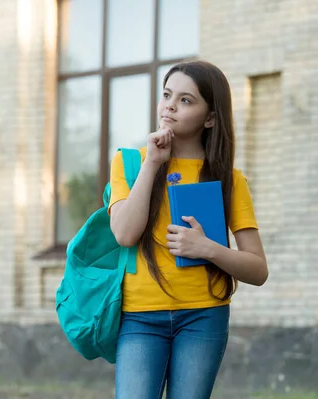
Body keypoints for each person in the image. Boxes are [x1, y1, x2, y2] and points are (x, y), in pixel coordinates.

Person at [109, 60, 269, 399]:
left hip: (203, 317)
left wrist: (207, 248)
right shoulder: (129, 162)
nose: (169, 105)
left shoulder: (230, 179)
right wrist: (153, 162)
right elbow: (124, 234)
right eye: (167, 95)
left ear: (210, 118)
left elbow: (257, 269)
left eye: (186, 100)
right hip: (139, 318)